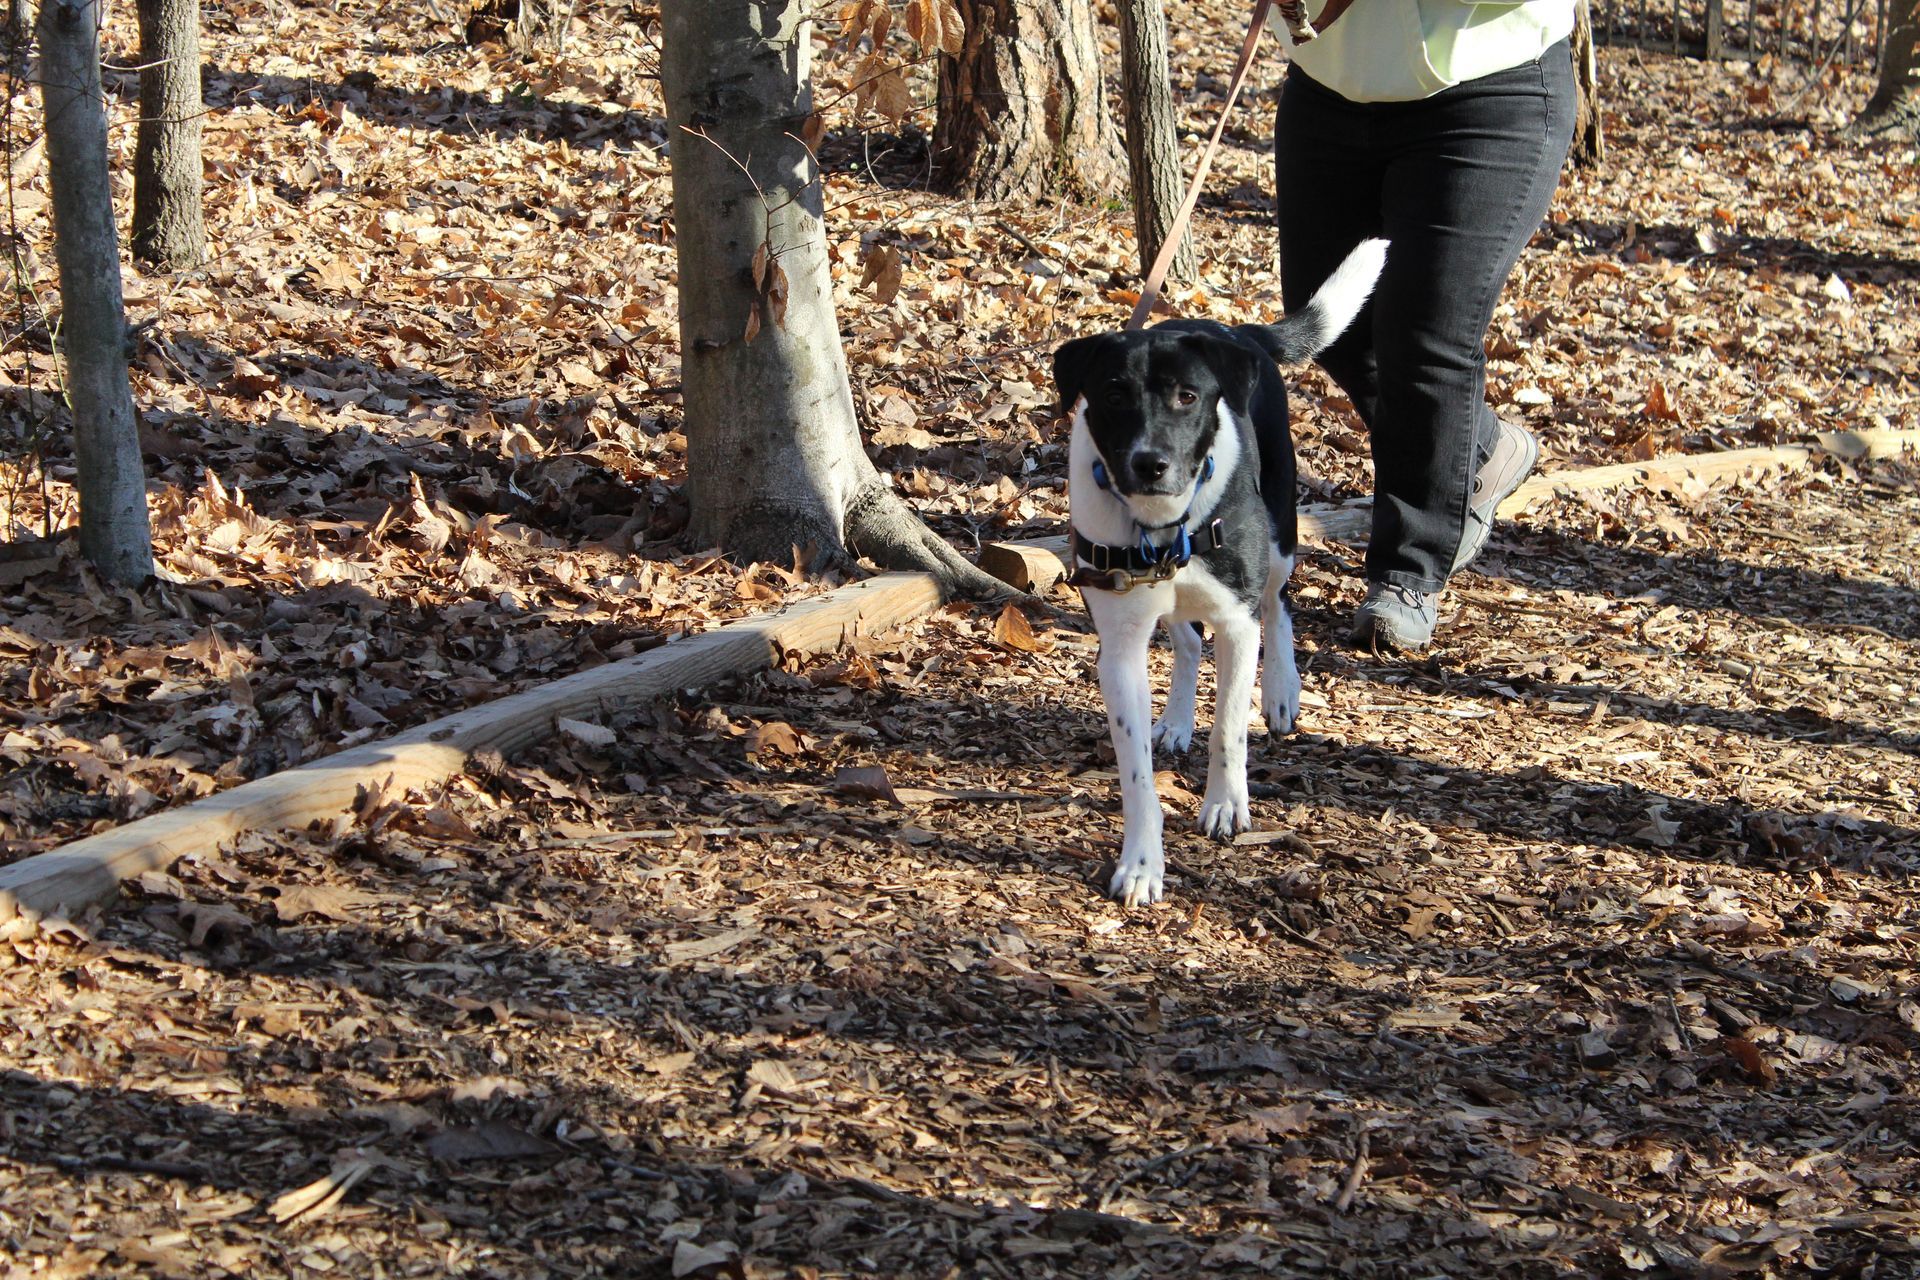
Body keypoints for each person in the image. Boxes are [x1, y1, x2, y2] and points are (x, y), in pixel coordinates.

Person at [1267, 0, 1578, 648]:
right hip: (1329, 83)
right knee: (1326, 320)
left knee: (1425, 336)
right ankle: (1482, 450)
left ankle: (1408, 572)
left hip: (1487, 83)